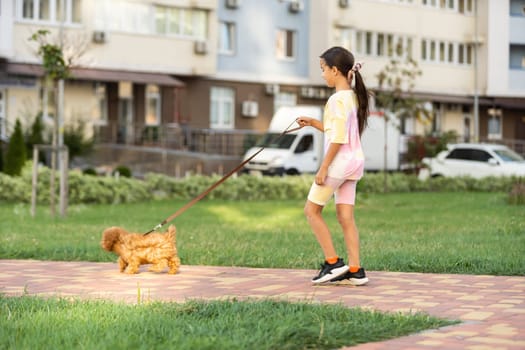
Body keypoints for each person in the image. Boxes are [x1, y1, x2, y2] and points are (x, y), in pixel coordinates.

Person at [296, 46, 370, 285]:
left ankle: (332, 263)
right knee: (345, 216)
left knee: (311, 210)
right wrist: (315, 123)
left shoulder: (336, 100)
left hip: (339, 162)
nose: (322, 74)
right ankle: (356, 270)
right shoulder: (353, 97)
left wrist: (324, 167)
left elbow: (338, 138)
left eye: (323, 69)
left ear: (335, 70)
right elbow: (339, 130)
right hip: (355, 162)